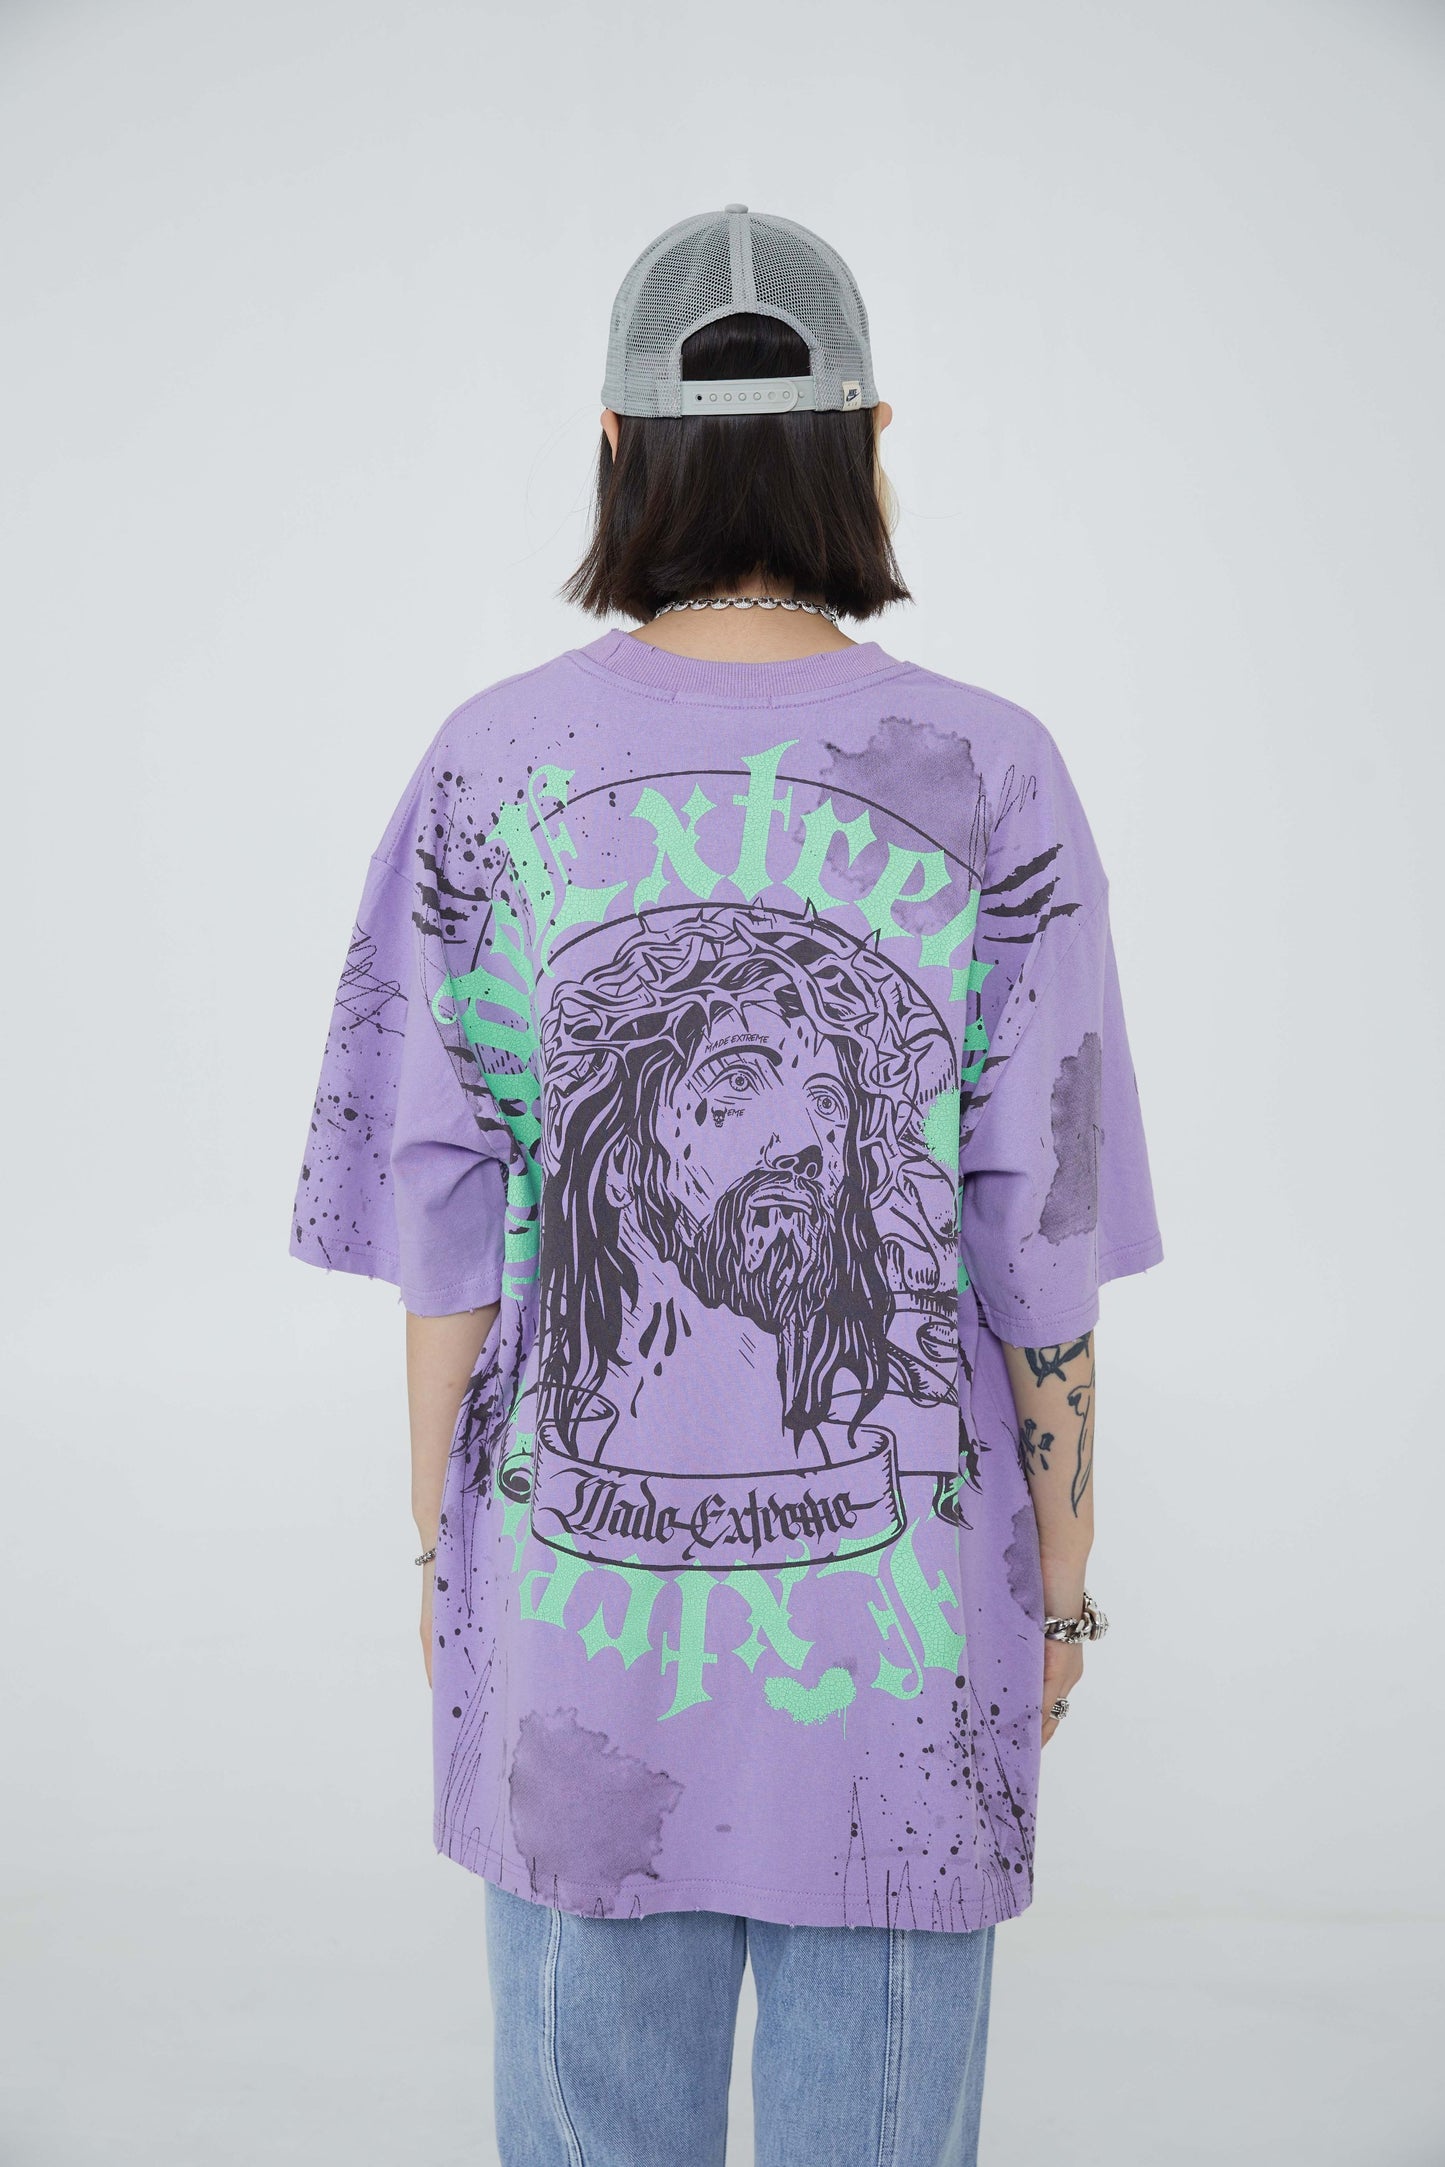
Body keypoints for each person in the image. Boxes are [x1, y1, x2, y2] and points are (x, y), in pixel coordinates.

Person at [289, 204, 1163, 2167]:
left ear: (617, 446)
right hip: (906, 1660)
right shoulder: (993, 772)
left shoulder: (489, 766)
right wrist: (1063, 1588)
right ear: (868, 444)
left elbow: (439, 1214)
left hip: (575, 1648)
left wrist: (445, 1556)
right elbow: (1040, 1234)